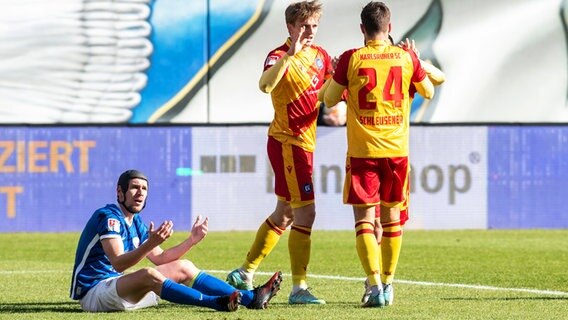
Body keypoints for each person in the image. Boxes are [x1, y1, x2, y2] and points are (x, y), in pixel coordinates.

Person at [320, 1, 435, 308]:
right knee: (393, 220)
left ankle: (372, 285)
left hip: (363, 152)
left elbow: (330, 99)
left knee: (365, 222)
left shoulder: (351, 58)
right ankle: (388, 282)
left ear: (362, 29)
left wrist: (336, 78)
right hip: (397, 151)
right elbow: (429, 92)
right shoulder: (406, 56)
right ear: (390, 27)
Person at [226, 0, 333, 305]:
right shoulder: (278, 55)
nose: (309, 31)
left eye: (314, 26)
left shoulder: (321, 55)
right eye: (304, 26)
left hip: (304, 142)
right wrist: (290, 55)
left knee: (285, 213)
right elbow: (265, 85)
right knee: (306, 213)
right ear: (290, 27)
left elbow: (328, 91)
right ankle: (299, 289)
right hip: (289, 143)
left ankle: (245, 272)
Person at [70, 169, 282, 312]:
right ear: (120, 191)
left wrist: (191, 240)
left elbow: (161, 258)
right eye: (134, 187)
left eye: (144, 189)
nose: (140, 193)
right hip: (94, 294)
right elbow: (118, 262)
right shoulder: (108, 217)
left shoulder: (136, 223)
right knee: (147, 274)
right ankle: (215, 303)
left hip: (118, 292)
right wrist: (150, 243)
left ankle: (250, 298)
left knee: (183, 267)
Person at [360, 36, 446, 305]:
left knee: (386, 223)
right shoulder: (399, 63)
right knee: (378, 223)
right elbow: (436, 83)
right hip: (393, 153)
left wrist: (416, 59)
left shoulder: (404, 63)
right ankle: (376, 282)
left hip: (378, 153)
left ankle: (379, 282)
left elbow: (439, 77)